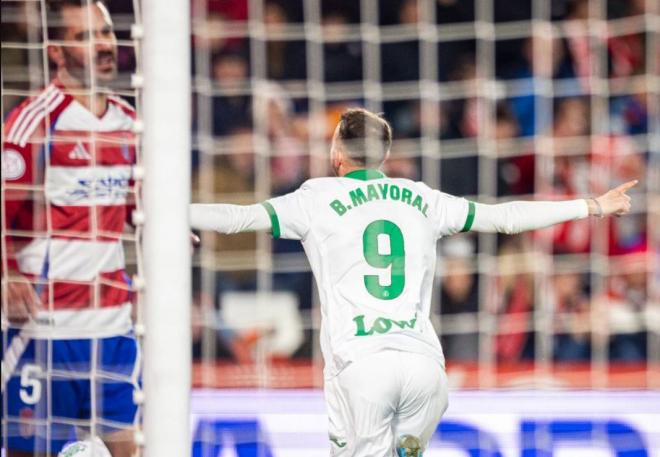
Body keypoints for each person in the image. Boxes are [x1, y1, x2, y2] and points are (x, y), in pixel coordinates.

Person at [190, 108, 636, 456]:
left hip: (362, 364)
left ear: (336, 153)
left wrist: (168, 213)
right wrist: (590, 206)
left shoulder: (315, 198)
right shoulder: (422, 198)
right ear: (385, 156)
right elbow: (505, 219)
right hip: (425, 368)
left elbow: (237, 218)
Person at [2, 1, 138, 455]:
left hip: (113, 326)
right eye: (85, 37)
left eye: (106, 32)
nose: (103, 44)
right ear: (56, 51)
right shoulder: (33, 123)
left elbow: (140, 210)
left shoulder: (130, 124)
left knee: (128, 449)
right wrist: (7, 273)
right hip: (45, 329)